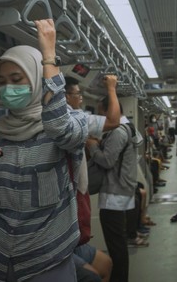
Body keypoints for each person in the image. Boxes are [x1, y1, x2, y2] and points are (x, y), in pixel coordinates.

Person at [0, 19, 88, 282]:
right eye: (2, 81)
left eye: (17, 79)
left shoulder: (73, 121)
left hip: (46, 260)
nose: (9, 87)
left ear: (35, 78)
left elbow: (58, 126)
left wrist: (48, 57)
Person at [64, 76, 115, 282]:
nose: (82, 100)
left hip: (74, 226)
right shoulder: (70, 122)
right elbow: (114, 120)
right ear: (65, 97)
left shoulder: (77, 119)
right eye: (78, 95)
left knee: (106, 263)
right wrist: (111, 88)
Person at [87, 96, 142, 282]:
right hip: (120, 190)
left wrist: (93, 147)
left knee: (116, 245)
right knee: (118, 243)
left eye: (101, 112)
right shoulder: (129, 127)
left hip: (114, 194)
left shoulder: (118, 131)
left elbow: (107, 160)